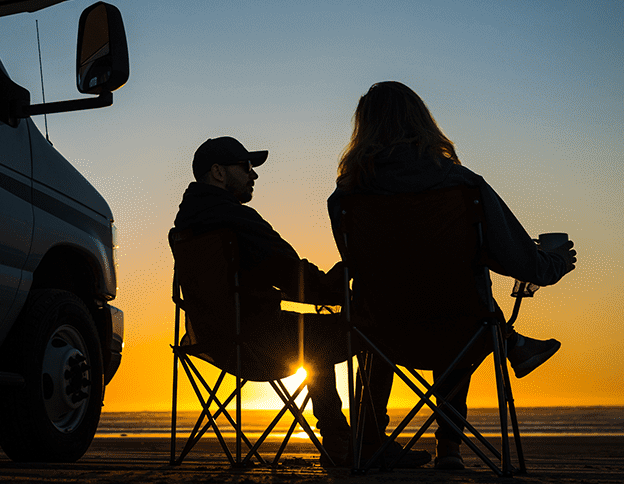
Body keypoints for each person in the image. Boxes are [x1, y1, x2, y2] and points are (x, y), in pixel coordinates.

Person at [326, 81, 578, 470]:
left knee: (390, 308)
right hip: (460, 330)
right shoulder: (463, 185)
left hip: (380, 333)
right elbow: (522, 263)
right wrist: (555, 261)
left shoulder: (346, 198)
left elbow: (361, 266)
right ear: (422, 122)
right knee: (459, 309)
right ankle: (450, 449)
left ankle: (370, 444)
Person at [175, 136, 431, 468]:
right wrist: (347, 278)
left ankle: (338, 439)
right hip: (261, 343)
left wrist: (323, 291)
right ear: (218, 173)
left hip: (215, 342)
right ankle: (367, 441)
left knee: (313, 334)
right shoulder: (237, 220)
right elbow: (294, 276)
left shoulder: (186, 227)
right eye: (246, 166)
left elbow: (269, 284)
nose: (253, 174)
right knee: (374, 329)